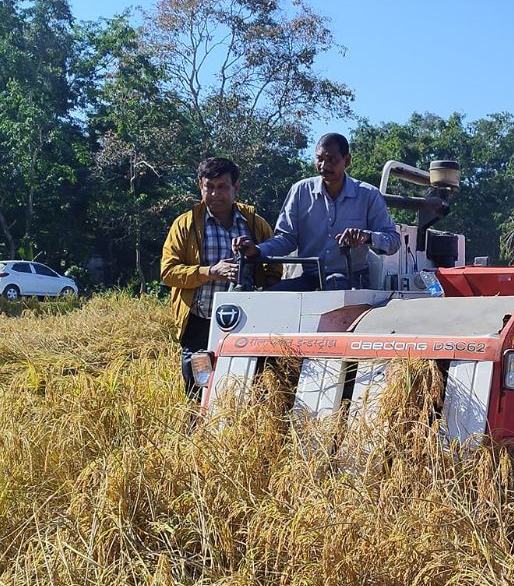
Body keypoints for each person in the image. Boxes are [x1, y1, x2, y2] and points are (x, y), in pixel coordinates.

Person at [160, 157, 280, 398]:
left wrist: (256, 260)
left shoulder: (254, 224)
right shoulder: (185, 225)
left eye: (222, 187)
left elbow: (274, 268)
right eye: (209, 187)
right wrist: (210, 272)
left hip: (247, 325)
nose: (215, 194)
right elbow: (168, 272)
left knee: (250, 385)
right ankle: (197, 432)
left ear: (236, 187)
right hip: (200, 323)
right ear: (200, 186)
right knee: (199, 388)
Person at [232, 133, 399, 290]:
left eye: (332, 160)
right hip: (310, 279)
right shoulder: (300, 190)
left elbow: (393, 242)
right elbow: (286, 238)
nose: (324, 166)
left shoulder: (368, 195)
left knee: (334, 286)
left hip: (352, 281)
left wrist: (366, 236)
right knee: (269, 298)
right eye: (319, 159)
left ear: (347, 160)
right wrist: (257, 250)